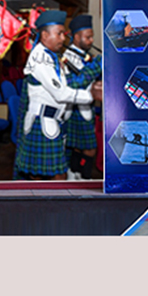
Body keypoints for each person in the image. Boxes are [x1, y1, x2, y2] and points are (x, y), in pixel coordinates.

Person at [15, 10, 102, 180]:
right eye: (59, 33)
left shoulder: (50, 55)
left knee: (43, 174)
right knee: (55, 175)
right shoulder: (40, 59)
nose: (63, 39)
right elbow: (61, 93)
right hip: (42, 121)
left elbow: (66, 82)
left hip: (52, 120)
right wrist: (91, 96)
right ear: (45, 35)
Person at [61, 13, 103, 180]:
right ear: (76, 37)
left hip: (87, 107)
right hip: (76, 108)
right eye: (88, 37)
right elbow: (75, 83)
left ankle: (76, 172)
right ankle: (83, 176)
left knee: (78, 147)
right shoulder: (68, 57)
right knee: (89, 148)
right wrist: (96, 67)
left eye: (91, 37)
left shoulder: (84, 55)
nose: (91, 40)